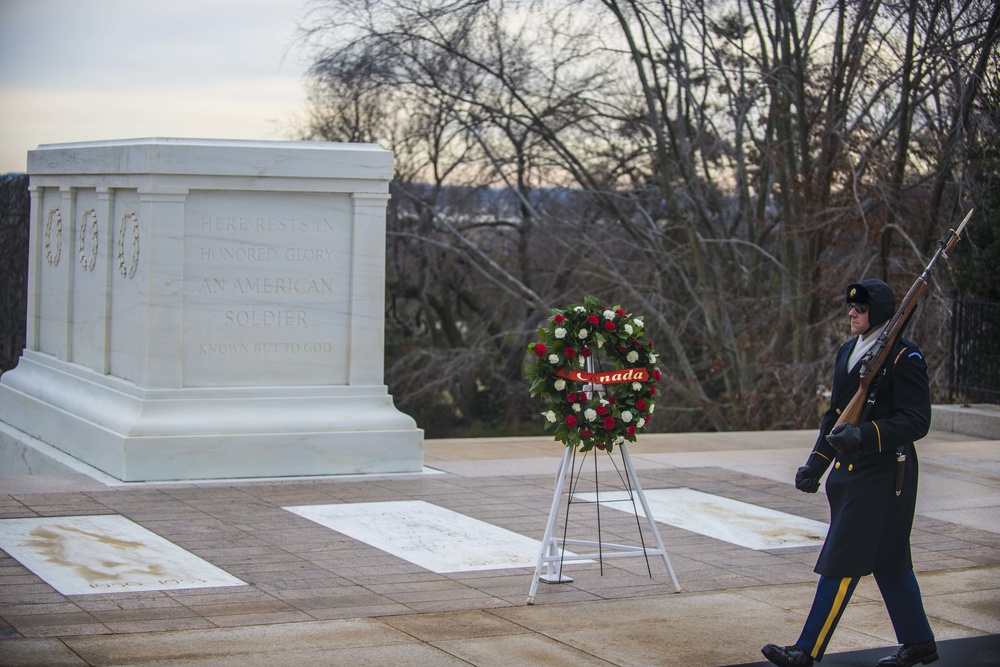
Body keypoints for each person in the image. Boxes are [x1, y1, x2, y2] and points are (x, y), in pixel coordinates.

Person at [761, 279, 938, 667]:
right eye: (850, 306)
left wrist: (866, 435)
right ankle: (920, 642)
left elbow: (916, 421)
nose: (851, 312)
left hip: (884, 476)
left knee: (841, 562)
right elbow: (837, 418)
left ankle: (807, 651)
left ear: (878, 312)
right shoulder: (848, 351)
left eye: (860, 308)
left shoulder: (904, 357)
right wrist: (816, 464)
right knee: (890, 563)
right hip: (852, 478)